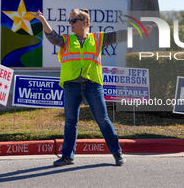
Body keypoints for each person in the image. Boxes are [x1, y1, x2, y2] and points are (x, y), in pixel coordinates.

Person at [31, 9, 152, 167]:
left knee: (102, 119)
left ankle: (117, 153)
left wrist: (139, 30)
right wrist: (42, 20)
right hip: (71, 85)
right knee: (70, 122)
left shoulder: (98, 38)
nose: (71, 24)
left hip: (92, 84)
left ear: (84, 22)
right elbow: (52, 37)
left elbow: (119, 35)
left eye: (74, 21)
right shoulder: (67, 39)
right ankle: (67, 157)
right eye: (70, 21)